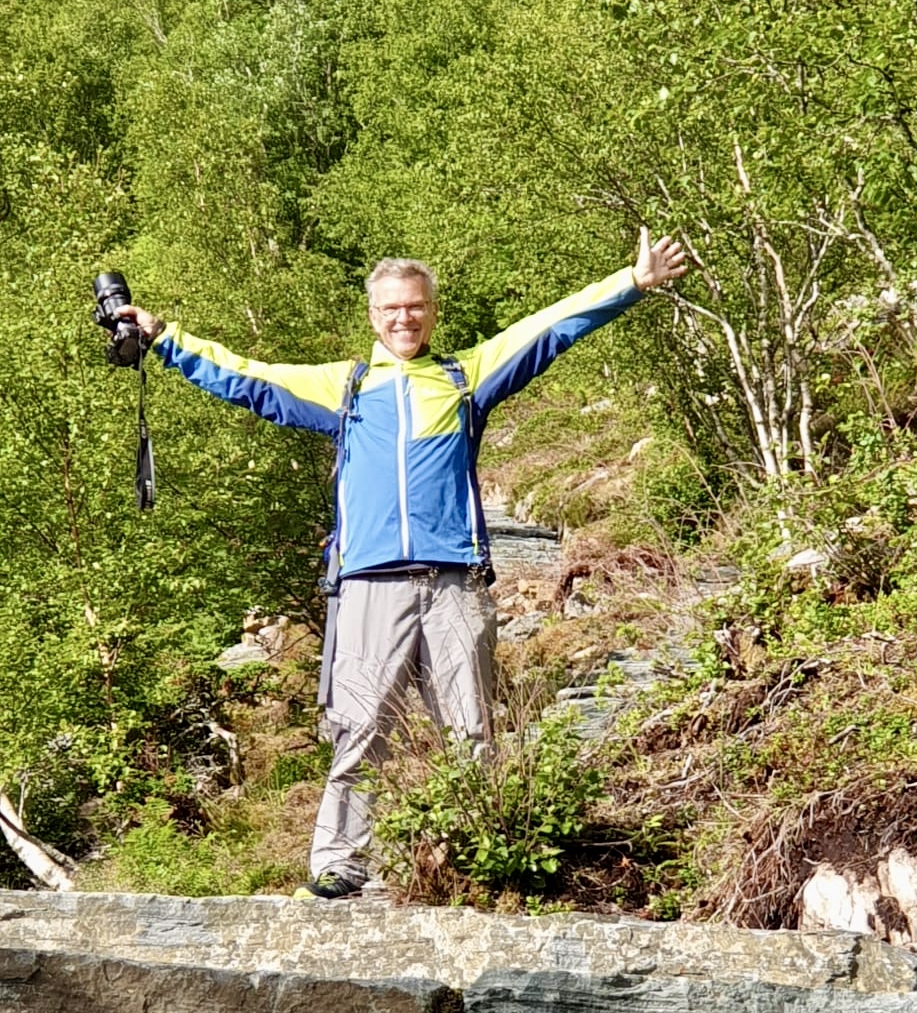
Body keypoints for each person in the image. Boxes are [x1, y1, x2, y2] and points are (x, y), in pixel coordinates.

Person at [121, 228, 686, 899]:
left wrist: (632, 282)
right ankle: (340, 862)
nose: (404, 318)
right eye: (391, 308)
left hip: (454, 583)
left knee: (471, 729)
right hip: (367, 585)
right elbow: (245, 376)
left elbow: (550, 327)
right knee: (361, 728)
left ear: (432, 310)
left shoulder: (465, 377)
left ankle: (483, 856)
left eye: (415, 306)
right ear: (372, 315)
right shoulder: (345, 387)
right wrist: (162, 336)